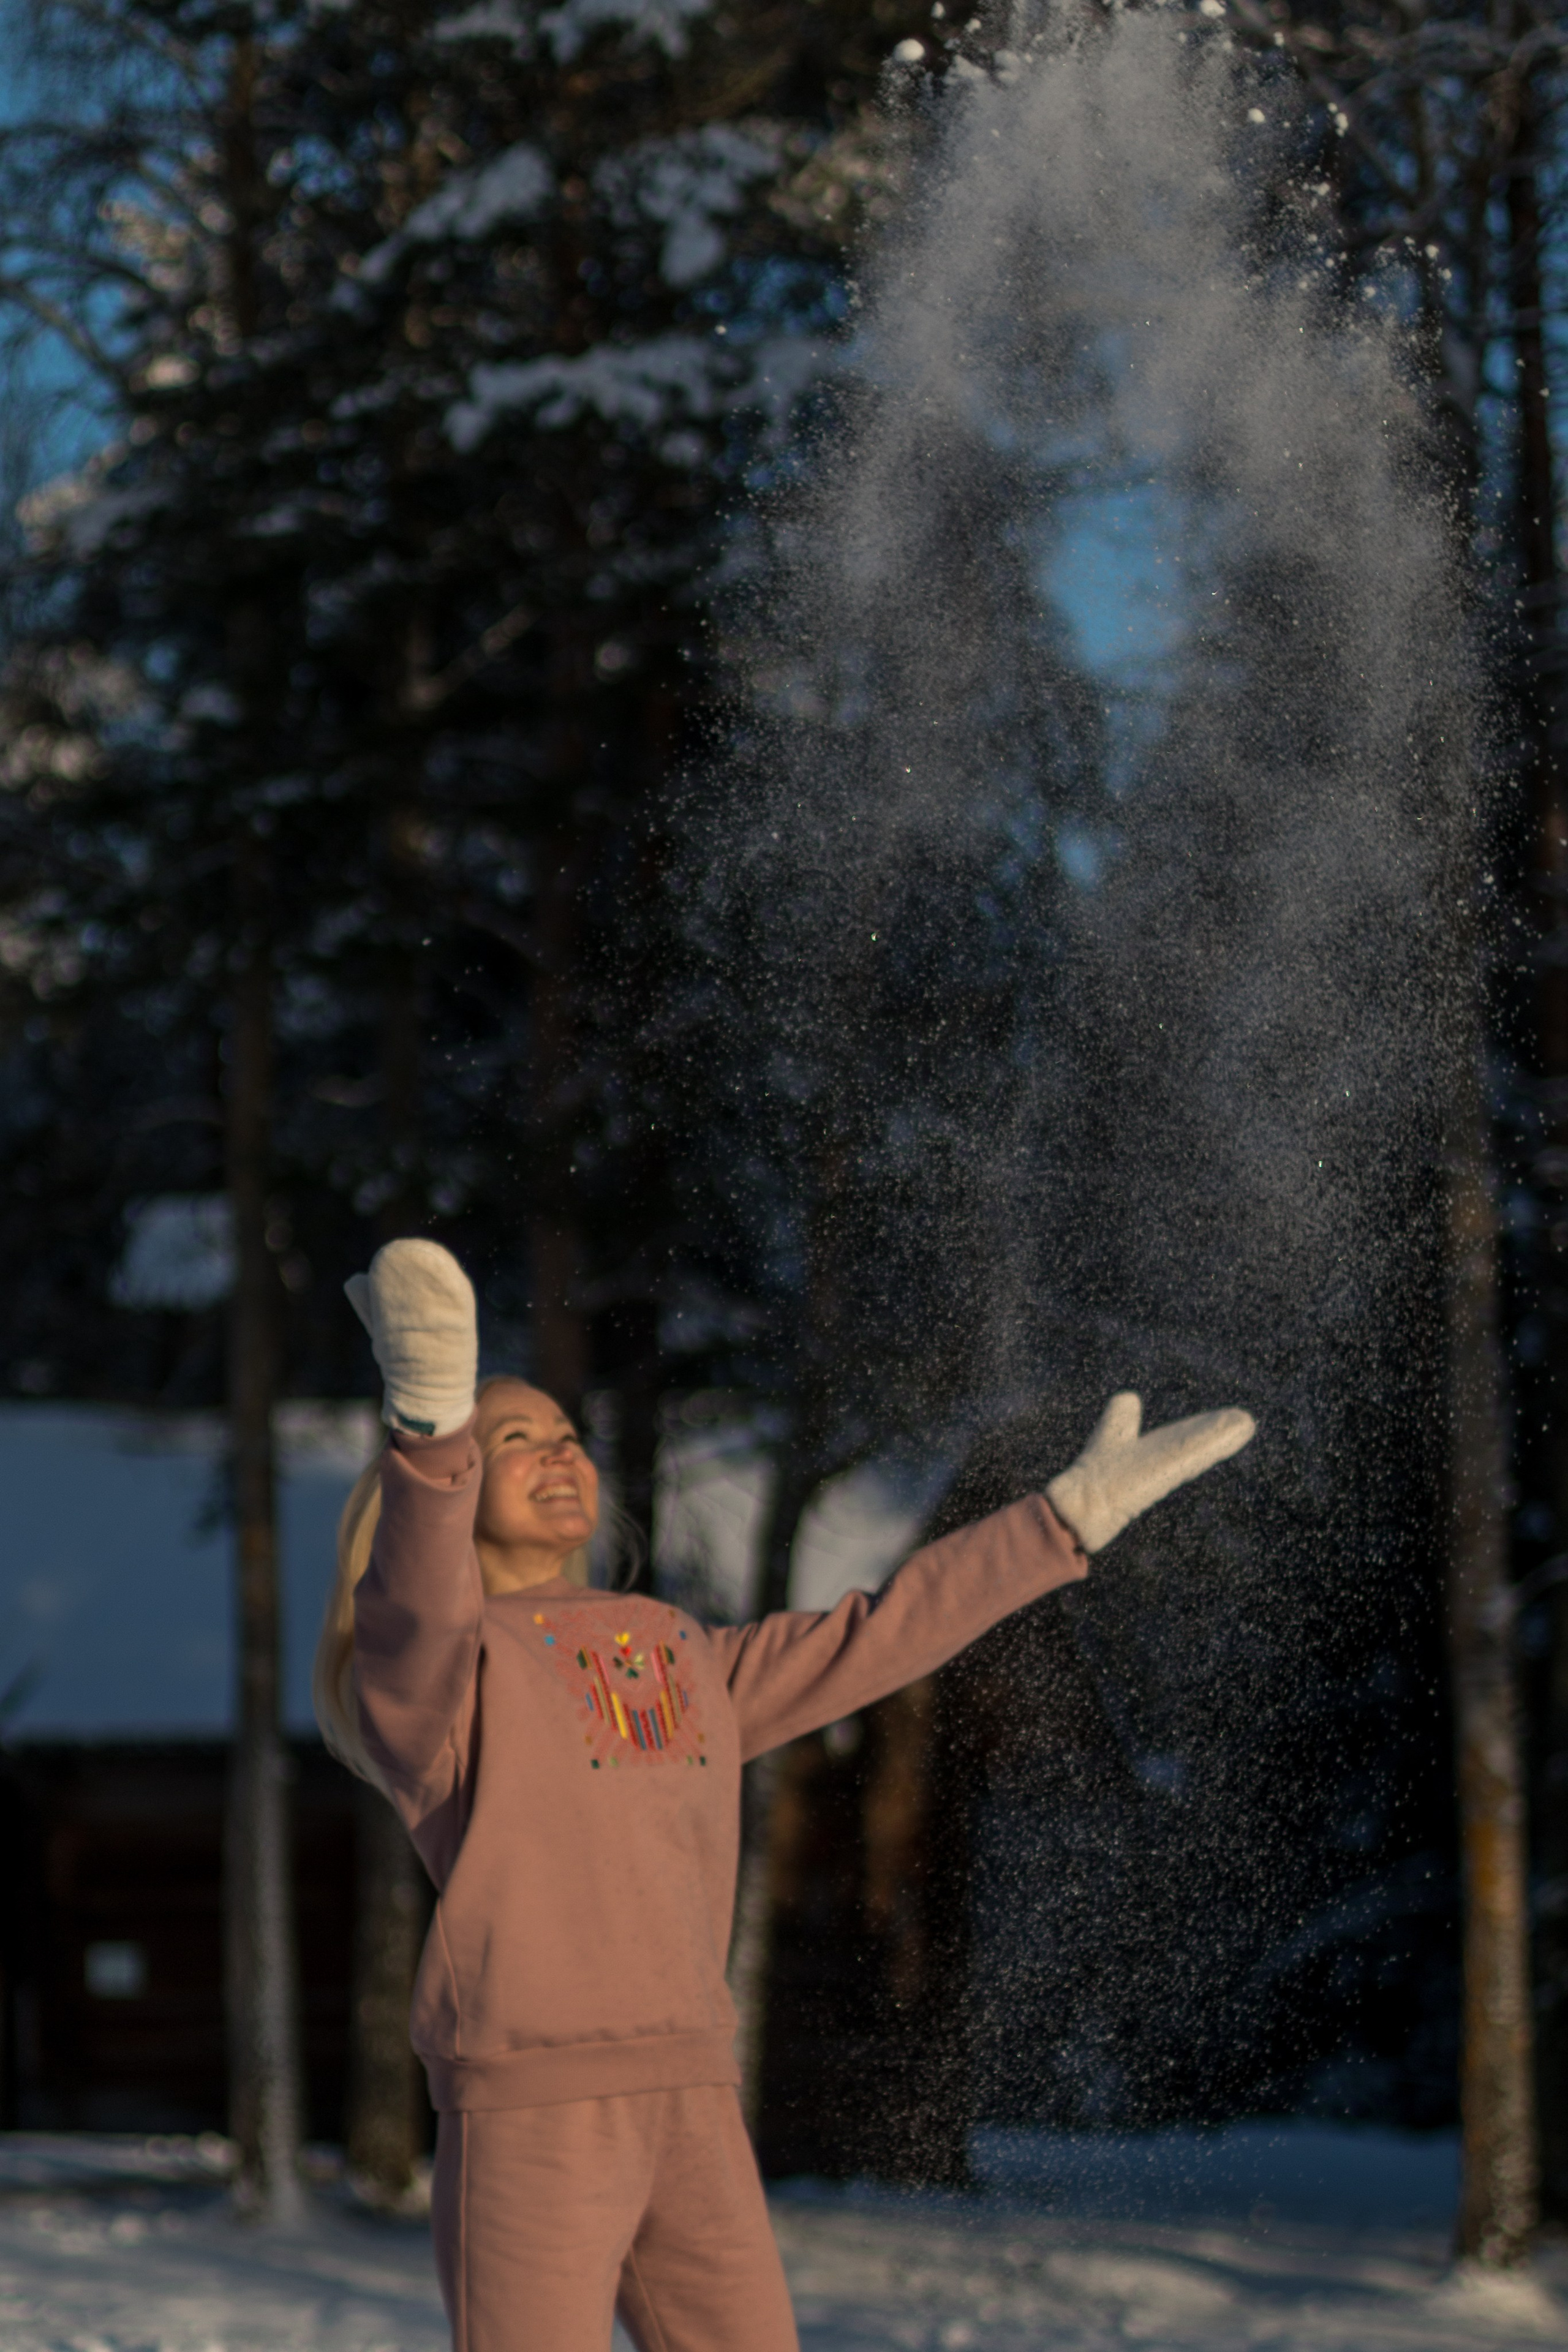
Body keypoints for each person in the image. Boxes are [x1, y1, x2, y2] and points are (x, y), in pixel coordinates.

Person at [314, 1238, 1254, 2352]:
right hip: (537, 2103)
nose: (560, 1453)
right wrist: (427, 1425)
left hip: (694, 2094)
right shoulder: (437, 1685)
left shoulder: (675, 1650)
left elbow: (879, 1636)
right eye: (513, 1441)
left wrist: (1055, 1527)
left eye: (569, 1436)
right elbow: (414, 1607)